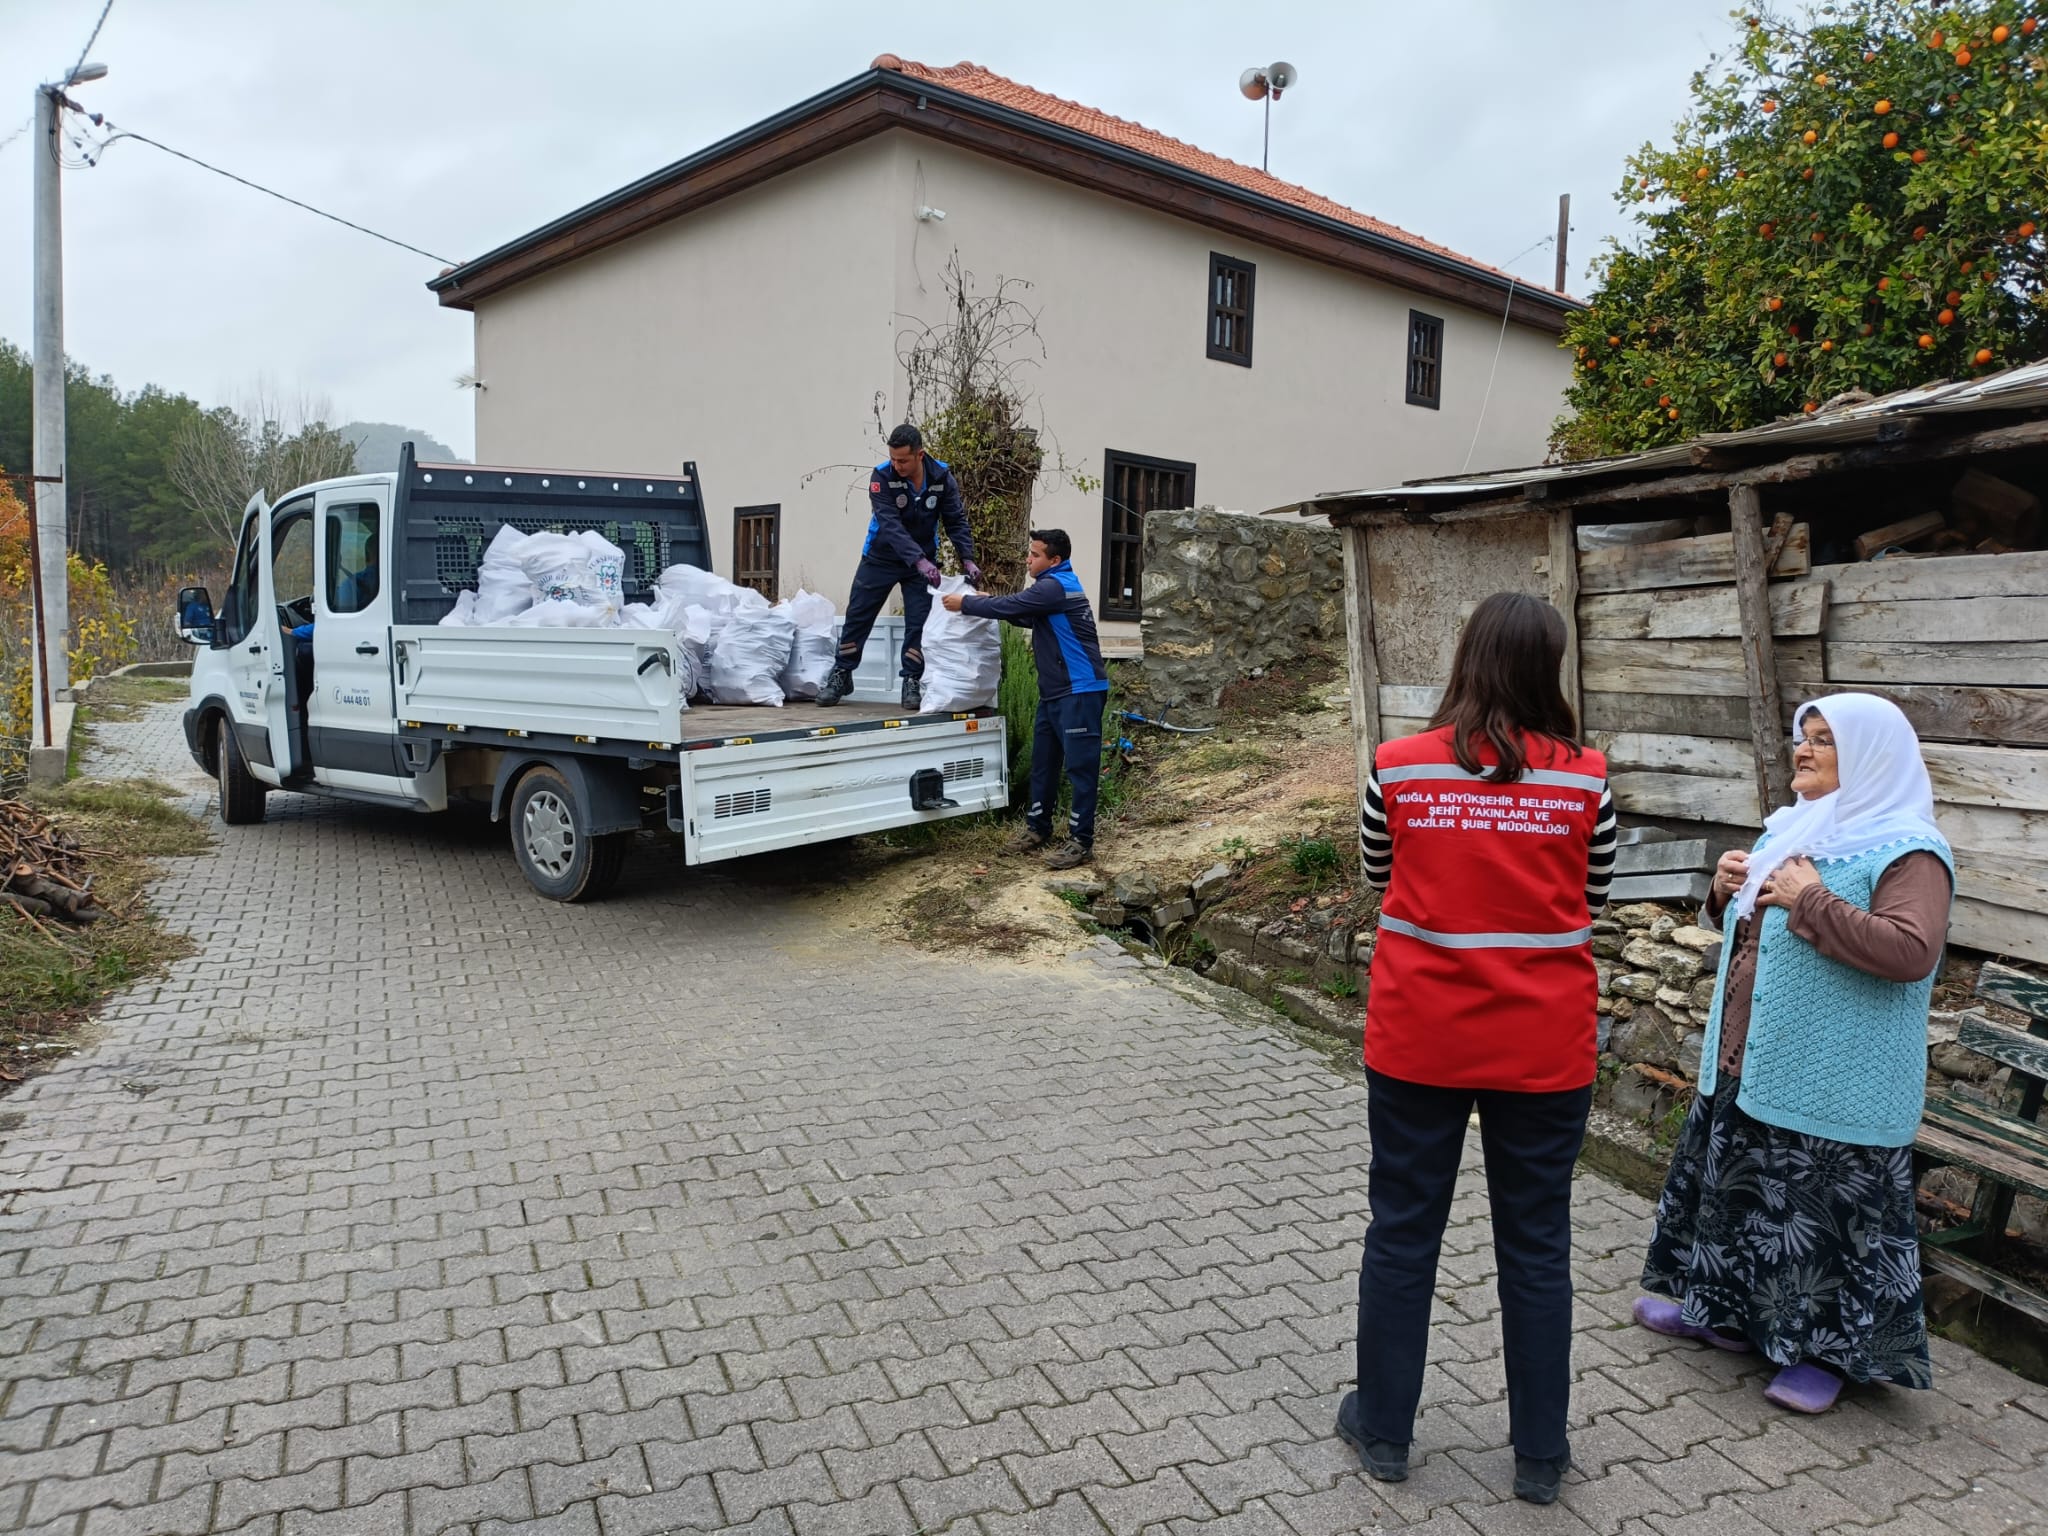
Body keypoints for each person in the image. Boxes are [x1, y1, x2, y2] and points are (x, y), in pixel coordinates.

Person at [1340, 591, 1616, 1506]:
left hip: (1420, 1038)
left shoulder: (1398, 767)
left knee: (1403, 1230)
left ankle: (1383, 1431)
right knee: (1537, 1244)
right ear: (1551, 666)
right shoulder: (1586, 777)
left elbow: (1385, 875)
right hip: (1544, 1047)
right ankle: (1539, 1456)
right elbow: (1594, 897)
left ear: (1465, 659)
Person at [1635, 694, 1953, 1416]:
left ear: (1871, 758)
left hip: (1838, 1079)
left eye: (1822, 742)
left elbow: (1911, 951)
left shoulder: (1909, 849)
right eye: (1801, 739)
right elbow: (1752, 934)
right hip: (1752, 1060)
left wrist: (1811, 901)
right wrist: (1720, 896)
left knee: (1821, 1214)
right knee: (1739, 1193)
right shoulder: (1792, 830)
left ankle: (1824, 1357)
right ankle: (1715, 1309)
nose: (1801, 752)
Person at [941, 528, 1109, 871]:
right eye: (1029, 553)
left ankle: (1081, 841)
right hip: (1055, 693)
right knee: (1043, 763)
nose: (1028, 560)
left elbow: (1014, 604)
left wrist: (969, 603)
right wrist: (986, 601)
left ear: (1054, 560)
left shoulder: (1056, 585)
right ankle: (1037, 829)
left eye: (1035, 555)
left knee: (1080, 768)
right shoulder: (1049, 590)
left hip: (1080, 691)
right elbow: (1022, 614)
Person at [819, 423, 981, 711]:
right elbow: (890, 525)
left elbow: (955, 519)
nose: (897, 465)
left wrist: (967, 557)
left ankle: (911, 680)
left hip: (923, 564)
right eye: (893, 459)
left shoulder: (942, 477)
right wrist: (917, 559)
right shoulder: (881, 476)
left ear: (920, 455)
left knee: (919, 622)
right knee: (858, 615)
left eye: (903, 460)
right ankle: (842, 673)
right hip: (880, 557)